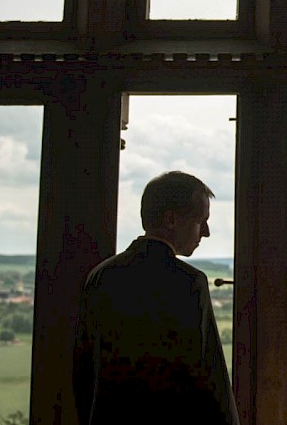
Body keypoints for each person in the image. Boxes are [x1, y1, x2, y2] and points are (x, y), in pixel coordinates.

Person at [73, 171, 239, 425]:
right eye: (200, 221)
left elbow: (82, 371)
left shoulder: (100, 276)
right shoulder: (188, 283)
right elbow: (209, 377)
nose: (205, 232)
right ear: (171, 219)